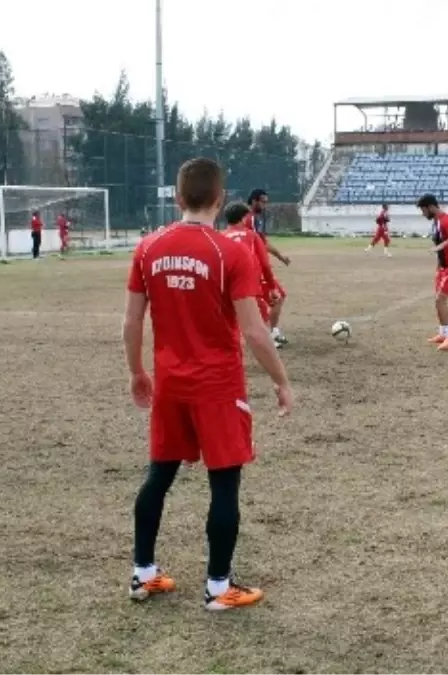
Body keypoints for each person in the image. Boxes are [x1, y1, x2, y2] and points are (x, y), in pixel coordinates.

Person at [122, 157, 293, 610]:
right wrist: (281, 381)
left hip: (171, 385)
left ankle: (143, 573)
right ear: (220, 199)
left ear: (178, 198)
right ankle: (218, 587)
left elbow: (133, 319)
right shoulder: (229, 252)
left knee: (159, 476)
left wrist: (138, 371)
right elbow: (255, 330)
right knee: (224, 484)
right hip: (217, 387)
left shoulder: (148, 247)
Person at [417, 194, 448, 351]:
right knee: (438, 300)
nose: (423, 214)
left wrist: (439, 247)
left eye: (423, 210)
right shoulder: (436, 223)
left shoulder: (447, 220)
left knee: (440, 301)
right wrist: (439, 267)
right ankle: (443, 333)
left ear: (431, 207)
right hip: (444, 268)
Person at [243, 189, 291, 346]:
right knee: (274, 298)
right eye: (263, 201)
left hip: (256, 265)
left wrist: (280, 257)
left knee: (278, 297)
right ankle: (267, 335)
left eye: (266, 202)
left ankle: (273, 331)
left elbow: (263, 242)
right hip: (254, 267)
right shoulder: (250, 220)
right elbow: (259, 243)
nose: (265, 205)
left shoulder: (255, 219)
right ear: (254, 201)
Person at [223, 202, 281, 330]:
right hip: (248, 287)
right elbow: (265, 264)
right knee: (261, 323)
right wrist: (272, 287)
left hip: (224, 288)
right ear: (244, 218)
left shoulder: (220, 237)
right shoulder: (252, 236)